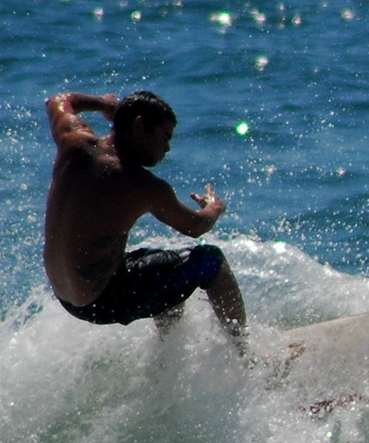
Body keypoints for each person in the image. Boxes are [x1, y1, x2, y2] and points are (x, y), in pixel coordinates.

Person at [41, 90, 247, 351]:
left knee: (163, 266)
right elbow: (196, 227)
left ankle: (165, 360)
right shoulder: (144, 186)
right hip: (103, 299)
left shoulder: (74, 142)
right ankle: (246, 357)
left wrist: (105, 104)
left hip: (66, 296)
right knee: (210, 261)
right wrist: (214, 208)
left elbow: (58, 101)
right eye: (164, 137)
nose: (168, 148)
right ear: (139, 126)